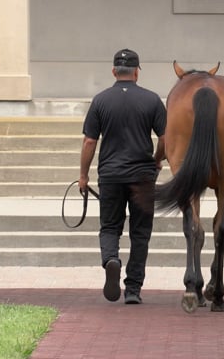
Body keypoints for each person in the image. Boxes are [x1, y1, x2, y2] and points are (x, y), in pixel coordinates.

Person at [79, 49, 166, 305]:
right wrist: (157, 159)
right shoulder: (152, 100)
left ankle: (111, 260)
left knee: (109, 227)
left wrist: (83, 176)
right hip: (142, 176)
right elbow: (166, 138)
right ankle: (133, 289)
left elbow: (89, 142)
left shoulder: (101, 100)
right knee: (140, 233)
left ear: (114, 71)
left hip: (111, 175)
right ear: (137, 71)